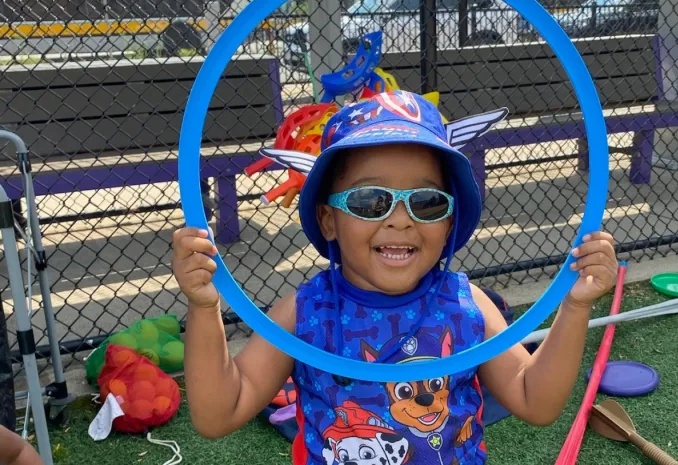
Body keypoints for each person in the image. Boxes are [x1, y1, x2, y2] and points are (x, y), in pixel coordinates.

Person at [172, 91, 618, 465]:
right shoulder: (306, 314)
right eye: (370, 201)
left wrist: (576, 306)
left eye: (425, 202)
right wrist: (204, 306)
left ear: (448, 222)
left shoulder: (466, 306)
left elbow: (535, 402)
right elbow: (219, 414)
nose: (400, 220)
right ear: (328, 220)